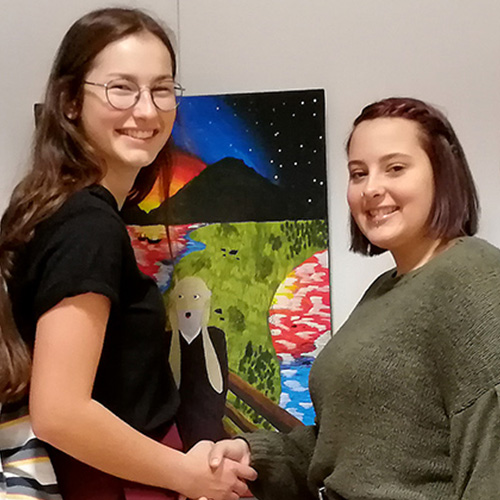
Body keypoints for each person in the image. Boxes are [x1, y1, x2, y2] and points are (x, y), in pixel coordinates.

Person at [0, 7, 256, 500]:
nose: (147, 111)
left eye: (161, 89)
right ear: (70, 101)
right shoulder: (86, 224)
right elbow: (60, 411)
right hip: (111, 485)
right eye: (121, 88)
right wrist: (188, 475)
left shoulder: (52, 208)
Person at [207, 97, 500, 499]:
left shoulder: (475, 277)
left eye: (395, 168)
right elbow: (343, 448)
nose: (371, 189)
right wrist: (253, 456)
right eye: (358, 173)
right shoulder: (384, 289)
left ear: (442, 173)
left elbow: (491, 458)